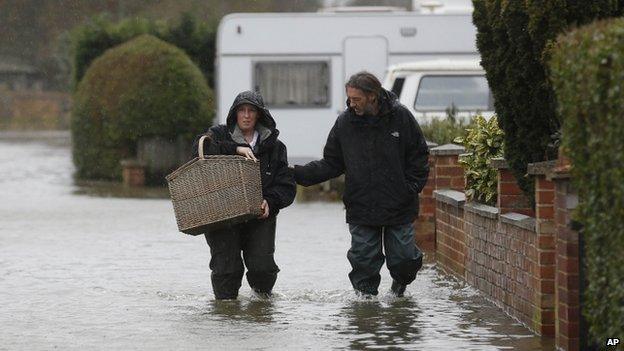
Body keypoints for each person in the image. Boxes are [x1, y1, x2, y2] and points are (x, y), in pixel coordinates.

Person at [293, 71, 429, 297]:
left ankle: (399, 287)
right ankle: (365, 309)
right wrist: (297, 174)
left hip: (399, 204)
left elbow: (419, 155)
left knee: (404, 260)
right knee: (363, 261)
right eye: (349, 98)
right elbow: (331, 163)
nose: (351, 103)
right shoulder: (345, 123)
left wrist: (411, 188)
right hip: (361, 205)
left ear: (373, 97)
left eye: (356, 99)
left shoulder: (401, 118)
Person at [192, 90, 296, 300]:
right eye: (242, 110)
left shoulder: (276, 147)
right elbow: (199, 149)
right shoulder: (219, 134)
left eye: (251, 111)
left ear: (259, 115)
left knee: (263, 268)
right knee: (226, 270)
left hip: (260, 216)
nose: (246, 115)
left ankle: (262, 307)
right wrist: (235, 149)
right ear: (235, 113)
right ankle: (226, 314)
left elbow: (286, 185)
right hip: (222, 216)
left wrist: (271, 202)